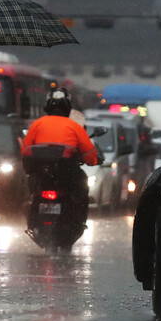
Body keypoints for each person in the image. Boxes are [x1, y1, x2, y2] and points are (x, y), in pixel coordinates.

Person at [21, 88, 99, 228]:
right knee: (82, 186)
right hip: (66, 177)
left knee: (30, 190)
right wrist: (93, 160)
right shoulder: (75, 127)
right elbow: (90, 155)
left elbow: (24, 150)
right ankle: (79, 221)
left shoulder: (37, 124)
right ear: (68, 107)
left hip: (40, 175)